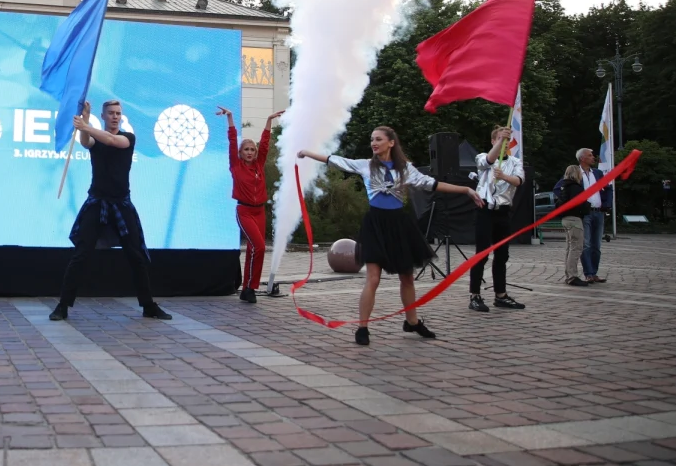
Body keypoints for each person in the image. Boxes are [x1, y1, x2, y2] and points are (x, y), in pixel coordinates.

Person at [298, 126, 483, 346]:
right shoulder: (366, 165)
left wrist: (466, 190)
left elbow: (432, 184)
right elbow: (336, 160)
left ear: (391, 143)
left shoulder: (406, 169)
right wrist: (307, 153)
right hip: (375, 224)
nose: (374, 143)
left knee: (407, 277)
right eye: (372, 140)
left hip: (398, 225)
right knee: (373, 278)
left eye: (378, 139)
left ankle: (412, 321)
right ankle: (363, 327)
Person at [50, 100, 171, 322]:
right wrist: (85, 118)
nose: (115, 116)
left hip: (122, 205)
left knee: (136, 256)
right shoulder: (95, 137)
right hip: (97, 203)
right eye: (111, 113)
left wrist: (85, 126)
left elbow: (113, 141)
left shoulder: (128, 138)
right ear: (103, 116)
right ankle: (63, 305)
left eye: (118, 113)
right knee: (81, 255)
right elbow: (87, 141)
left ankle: (148, 306)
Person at [217, 106, 283, 303]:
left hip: (260, 211)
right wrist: (230, 118)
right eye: (246, 149)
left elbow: (265, 144)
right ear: (240, 152)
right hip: (244, 210)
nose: (250, 152)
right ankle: (250, 287)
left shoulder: (259, 165)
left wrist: (269, 120)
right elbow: (231, 142)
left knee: (255, 250)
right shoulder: (235, 165)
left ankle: (248, 289)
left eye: (252, 150)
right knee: (259, 247)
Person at [468, 126, 527, 312]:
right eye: (500, 140)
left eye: (507, 141)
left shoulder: (516, 162)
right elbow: (487, 160)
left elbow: (519, 181)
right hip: (485, 210)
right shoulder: (483, 157)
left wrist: (504, 176)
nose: (504, 144)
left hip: (503, 212)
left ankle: (500, 295)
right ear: (493, 141)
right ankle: (474, 295)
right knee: (482, 253)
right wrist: (501, 139)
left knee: (502, 255)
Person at [576, 148, 609, 282]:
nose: (593, 158)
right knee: (587, 244)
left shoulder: (598, 173)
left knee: (597, 245)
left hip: (598, 212)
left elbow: (608, 188)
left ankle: (594, 272)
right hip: (585, 213)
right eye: (590, 155)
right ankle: (588, 273)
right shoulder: (575, 172)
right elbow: (560, 188)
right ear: (582, 158)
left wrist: (606, 202)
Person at [555, 165, 590, 286]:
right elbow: (579, 204)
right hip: (575, 219)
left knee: (569, 248)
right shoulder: (576, 188)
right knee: (576, 247)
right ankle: (572, 276)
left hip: (566, 219)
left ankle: (568, 274)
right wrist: (587, 208)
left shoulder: (564, 187)